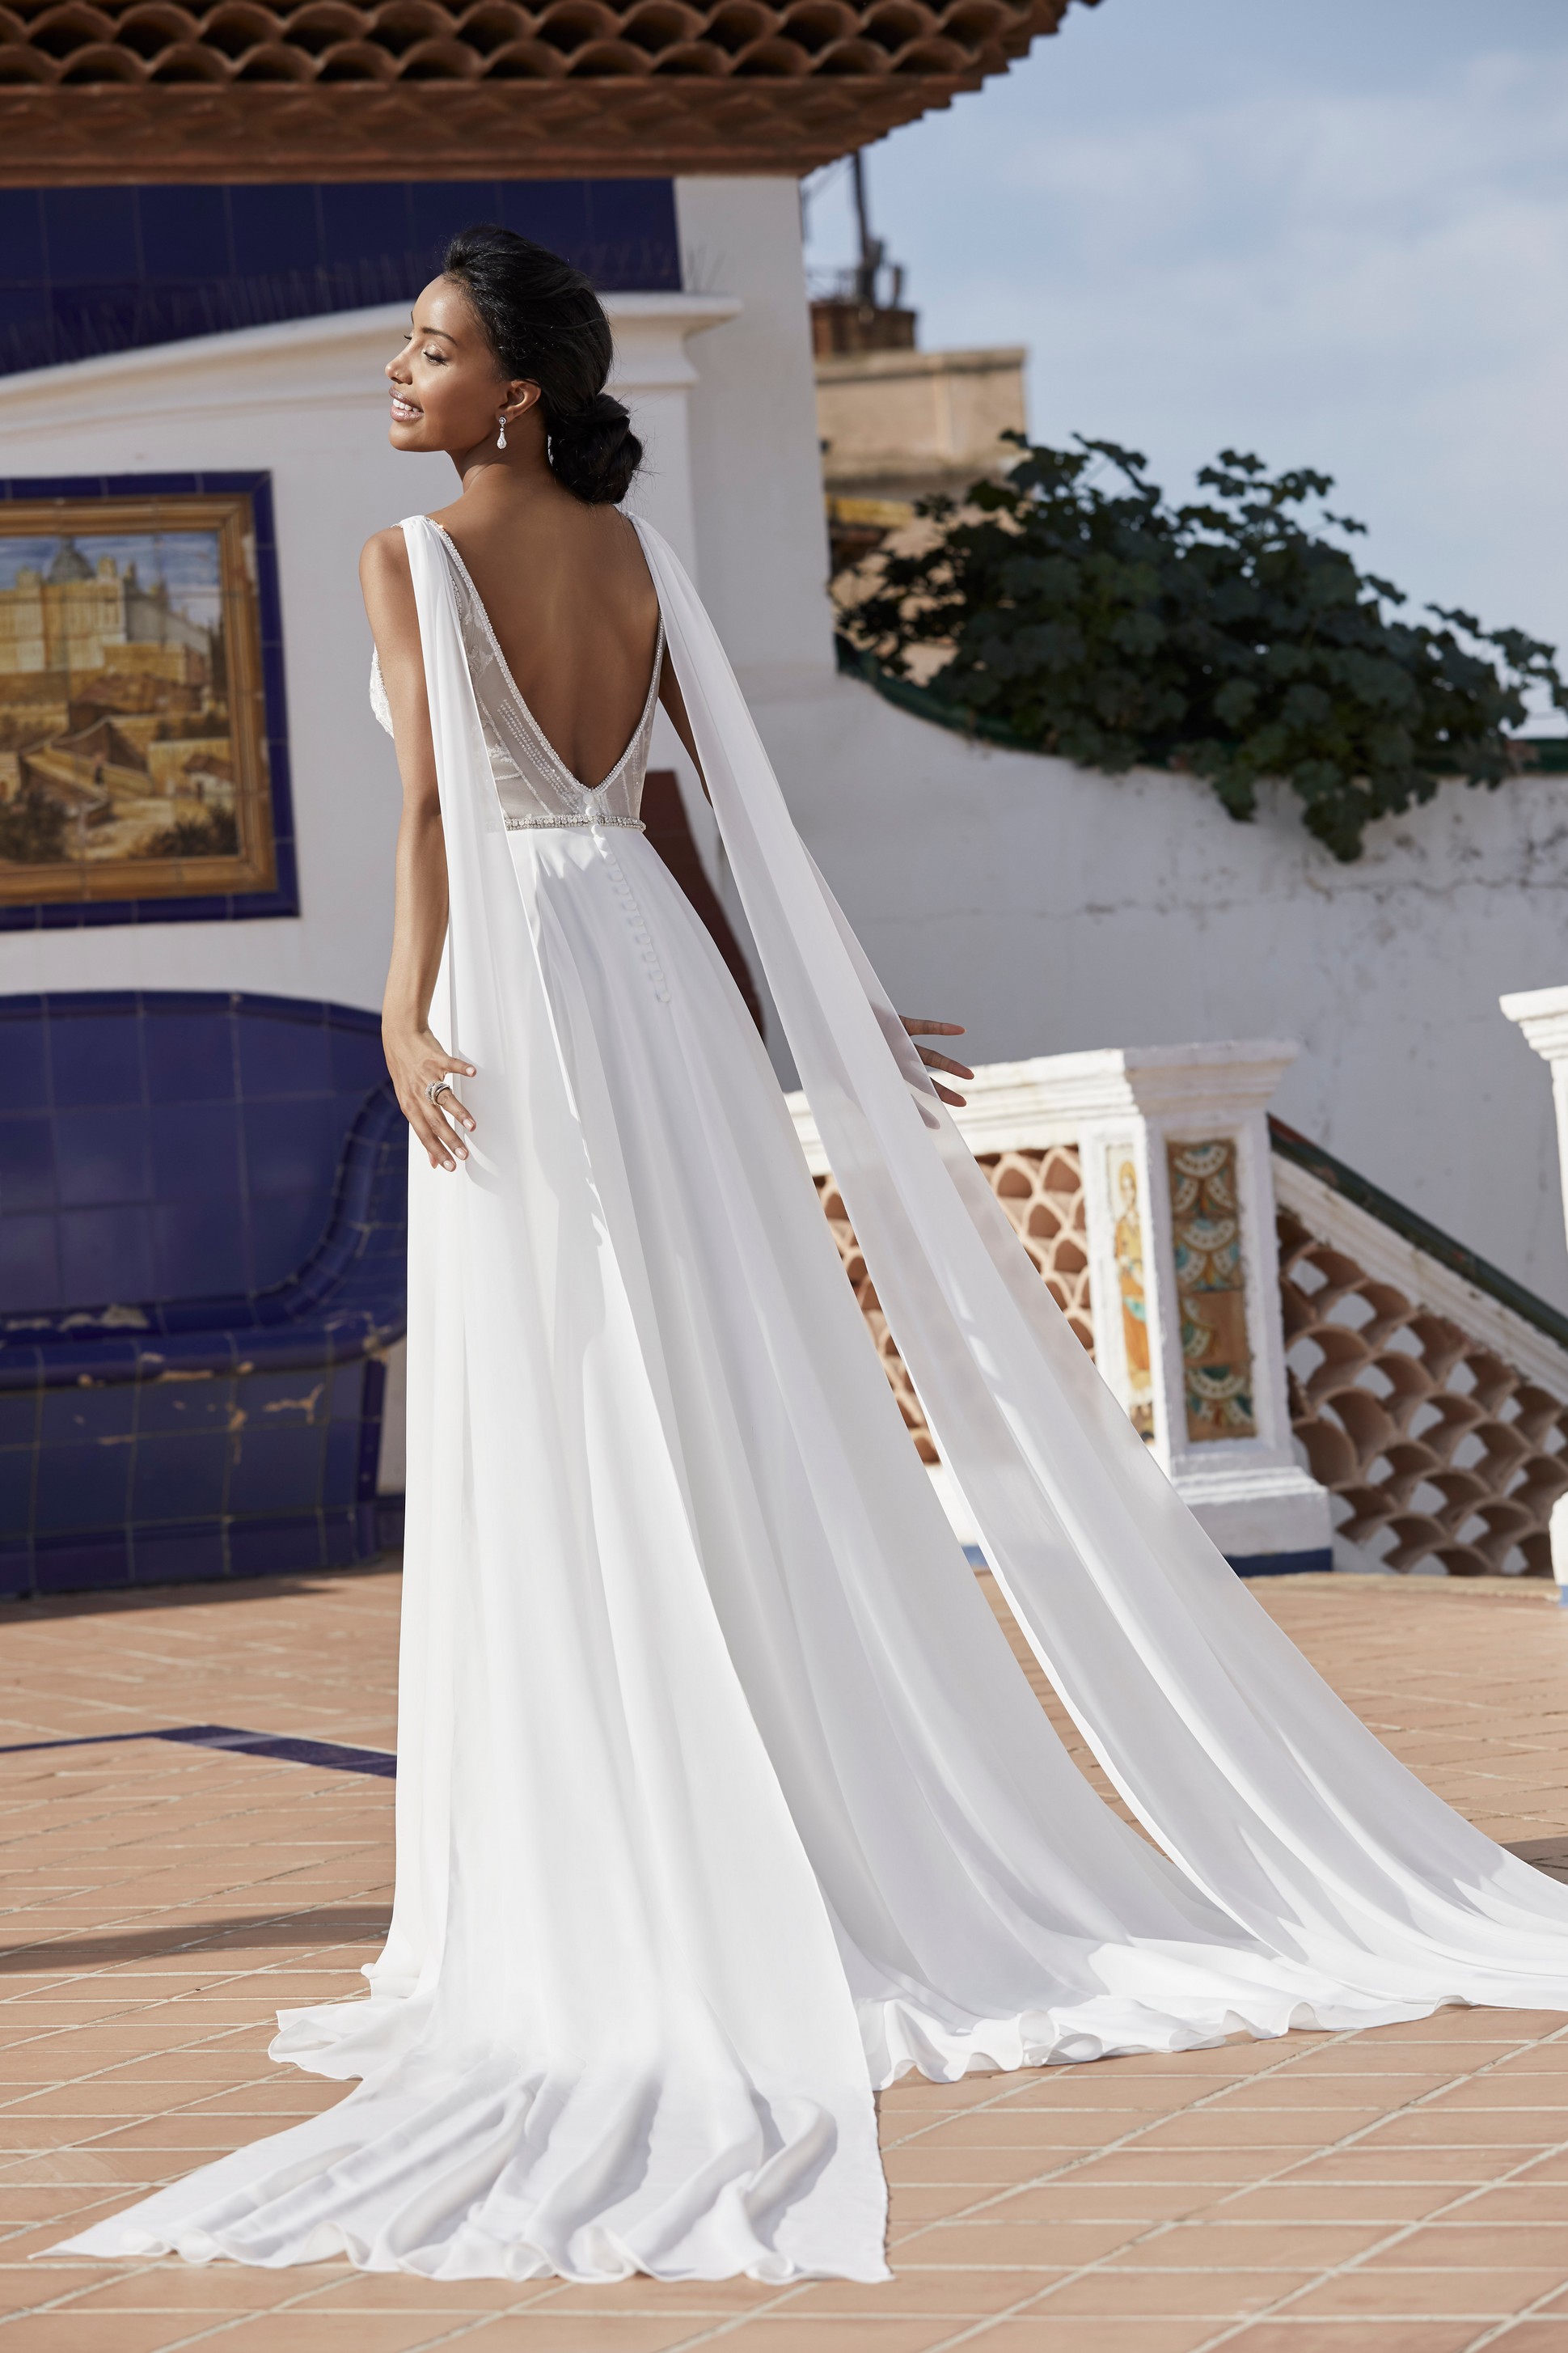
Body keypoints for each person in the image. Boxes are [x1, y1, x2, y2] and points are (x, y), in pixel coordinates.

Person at [60, 227, 1568, 2287]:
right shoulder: (639, 561)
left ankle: (632, 1854)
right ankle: (772, 1806)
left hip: (521, 990)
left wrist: (405, 1017)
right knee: (716, 1383)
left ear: (513, 390)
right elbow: (694, 824)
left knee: (578, 1400)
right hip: (660, 993)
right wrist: (810, 1012)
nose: (397, 377)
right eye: (408, 347)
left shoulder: (406, 556)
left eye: (430, 352)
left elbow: (433, 815)